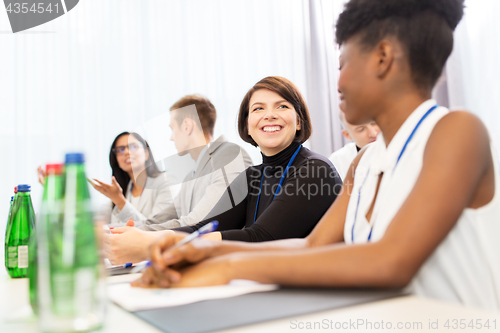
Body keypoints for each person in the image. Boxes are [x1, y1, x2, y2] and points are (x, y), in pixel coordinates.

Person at [135, 0, 500, 312]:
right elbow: (310, 245)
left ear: (383, 58)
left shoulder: (457, 131)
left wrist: (228, 267)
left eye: (342, 65)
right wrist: (207, 254)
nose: (337, 83)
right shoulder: (365, 162)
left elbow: (391, 262)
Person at [106, 77, 341, 264]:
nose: (270, 114)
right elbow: (204, 227)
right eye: (258, 108)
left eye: (282, 106)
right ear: (247, 126)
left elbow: (260, 238)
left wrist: (151, 246)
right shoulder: (252, 176)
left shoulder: (315, 169)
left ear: (299, 121)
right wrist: (140, 238)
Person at [104, 94, 253, 263]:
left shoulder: (228, 155)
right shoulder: (192, 175)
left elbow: (200, 224)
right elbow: (158, 220)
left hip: (223, 263)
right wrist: (109, 231)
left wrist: (133, 237)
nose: (171, 137)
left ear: (187, 126)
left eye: (172, 128)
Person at [90, 132, 172, 225]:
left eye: (133, 147)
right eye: (120, 150)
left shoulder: (166, 181)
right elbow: (97, 218)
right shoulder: (123, 189)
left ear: (146, 153)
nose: (126, 152)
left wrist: (120, 201)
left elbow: (156, 226)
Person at [329, 110, 380, 180]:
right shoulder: (338, 160)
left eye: (374, 123)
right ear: (347, 134)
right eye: (361, 129)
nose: (373, 134)